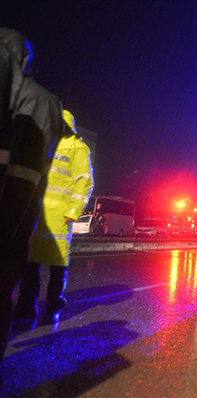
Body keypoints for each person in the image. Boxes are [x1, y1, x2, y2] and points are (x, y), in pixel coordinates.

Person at [0, 28, 63, 373]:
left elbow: (25, 167)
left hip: (15, 208)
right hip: (25, 209)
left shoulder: (32, 98)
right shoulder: (43, 99)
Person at [15, 110, 93, 320]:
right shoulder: (45, 142)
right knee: (31, 262)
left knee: (57, 264)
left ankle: (53, 305)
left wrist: (73, 212)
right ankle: (26, 306)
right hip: (37, 213)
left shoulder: (78, 148)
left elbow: (84, 182)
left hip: (59, 216)